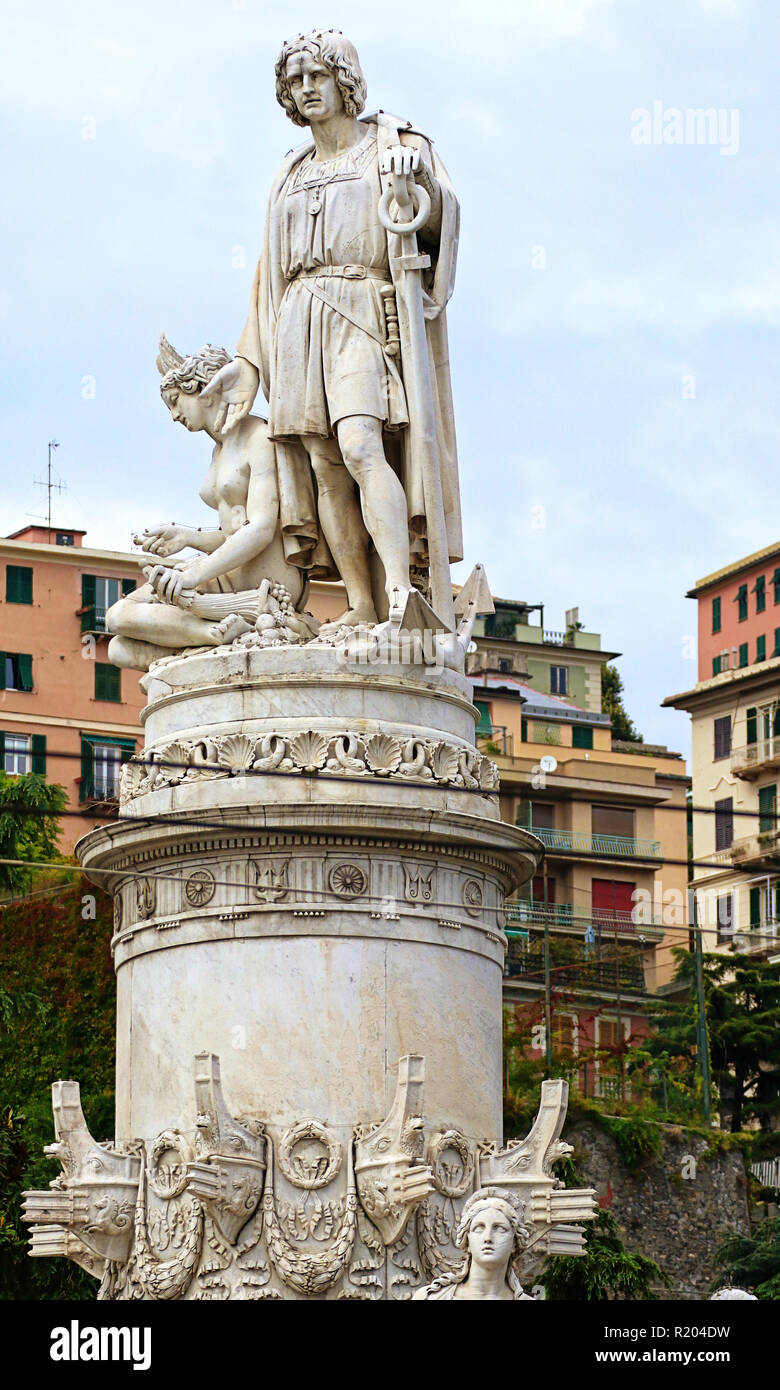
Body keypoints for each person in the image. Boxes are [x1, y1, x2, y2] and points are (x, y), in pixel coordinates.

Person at [201, 30, 463, 627]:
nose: (306, 89)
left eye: (317, 76)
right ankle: (360, 602)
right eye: (295, 81)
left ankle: (400, 590)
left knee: (362, 445)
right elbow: (268, 274)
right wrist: (252, 358)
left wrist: (411, 184)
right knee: (323, 464)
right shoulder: (289, 172)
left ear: (345, 81)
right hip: (297, 319)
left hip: (360, 307)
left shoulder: (392, 144)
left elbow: (437, 220)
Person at [106, 337, 321, 671]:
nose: (174, 415)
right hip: (223, 575)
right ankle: (217, 633)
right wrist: (188, 537)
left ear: (202, 389)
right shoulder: (218, 452)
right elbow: (233, 532)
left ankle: (218, 623)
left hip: (264, 581)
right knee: (118, 641)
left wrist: (193, 576)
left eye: (176, 401)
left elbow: (262, 528)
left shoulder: (259, 438)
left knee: (124, 617)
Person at [412, 1187, 536, 1300]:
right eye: (479, 1228)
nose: (488, 1238)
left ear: (515, 1242)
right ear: (467, 1240)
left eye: (499, 1229)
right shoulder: (430, 1297)